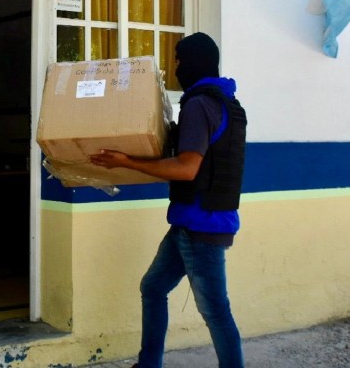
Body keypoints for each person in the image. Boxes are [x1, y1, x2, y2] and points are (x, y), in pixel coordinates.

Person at [89, 32, 247, 368]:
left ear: (191, 61)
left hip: (200, 226)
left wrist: (125, 162)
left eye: (177, 59)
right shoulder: (224, 102)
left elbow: (187, 168)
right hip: (190, 221)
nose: (174, 66)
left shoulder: (198, 105)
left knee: (215, 311)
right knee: (153, 286)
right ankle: (149, 364)